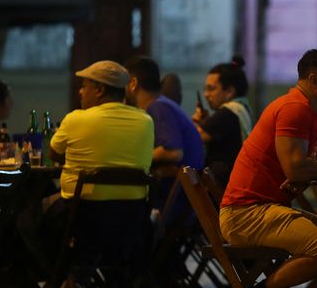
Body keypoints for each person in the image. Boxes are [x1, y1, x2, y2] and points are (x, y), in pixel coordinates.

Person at [219, 48, 317, 288]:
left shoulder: (316, 113)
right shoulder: (295, 108)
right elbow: (300, 170)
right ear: (314, 80)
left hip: (265, 208)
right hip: (245, 214)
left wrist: (316, 169)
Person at [41, 60, 154, 263]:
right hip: (131, 218)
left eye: (84, 86)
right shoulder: (146, 121)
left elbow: (54, 155)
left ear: (100, 89)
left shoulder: (76, 119)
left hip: (82, 217)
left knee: (27, 218)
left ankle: (61, 279)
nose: (80, 92)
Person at [124, 56, 204, 172]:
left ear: (133, 83)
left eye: (123, 82)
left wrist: (135, 159)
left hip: (179, 186)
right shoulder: (161, 103)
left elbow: (173, 152)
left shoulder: (158, 107)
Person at [192, 55, 253, 186]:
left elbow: (195, 137)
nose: (206, 94)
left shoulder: (229, 111)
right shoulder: (241, 108)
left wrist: (196, 122)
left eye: (211, 88)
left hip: (223, 185)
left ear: (229, 91)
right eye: (205, 89)